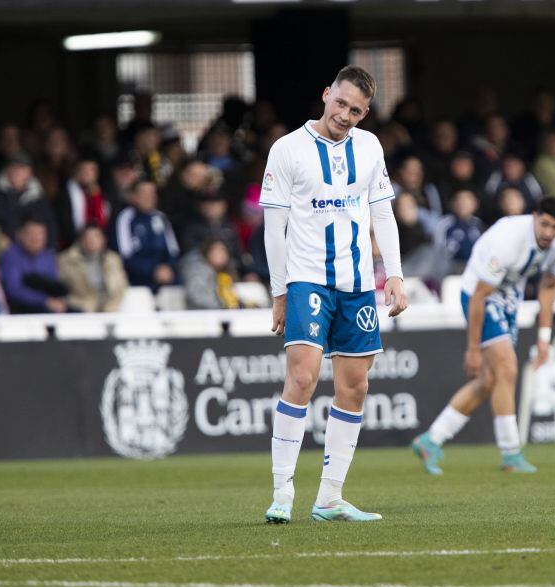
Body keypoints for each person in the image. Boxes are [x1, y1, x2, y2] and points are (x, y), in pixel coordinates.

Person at [261, 66, 407, 524]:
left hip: (358, 283)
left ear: (365, 115)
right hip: (307, 278)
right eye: (340, 103)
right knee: (302, 379)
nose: (345, 115)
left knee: (356, 386)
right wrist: (279, 291)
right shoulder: (287, 150)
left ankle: (328, 498)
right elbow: (273, 227)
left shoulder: (369, 147)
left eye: (356, 110)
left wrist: (395, 276)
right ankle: (282, 491)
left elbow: (383, 213)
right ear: (326, 95)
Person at [412, 197, 555, 475]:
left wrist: (544, 338)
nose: (548, 233)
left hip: (510, 296)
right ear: (534, 217)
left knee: (489, 381)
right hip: (477, 293)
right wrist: (472, 348)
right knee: (507, 368)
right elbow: (479, 296)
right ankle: (511, 453)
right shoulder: (508, 241)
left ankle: (430, 440)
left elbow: (548, 287)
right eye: (544, 224)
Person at [108, 179, 179, 290]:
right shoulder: (125, 218)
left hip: (164, 275)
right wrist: (153, 271)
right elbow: (124, 256)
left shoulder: (161, 218)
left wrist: (168, 268)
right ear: (133, 196)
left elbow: (173, 252)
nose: (149, 197)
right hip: (136, 278)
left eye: (152, 193)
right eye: (143, 193)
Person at [0, 219, 68, 314]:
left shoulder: (48, 256)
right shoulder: (10, 255)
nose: (36, 238)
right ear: (20, 235)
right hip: (23, 306)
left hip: (50, 303)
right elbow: (14, 289)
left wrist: (59, 300)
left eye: (40, 234)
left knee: (77, 314)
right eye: (31, 234)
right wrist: (44, 300)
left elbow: (53, 284)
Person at [58, 224, 128, 312]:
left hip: (111, 309)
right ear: (80, 240)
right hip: (80, 310)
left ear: (103, 240)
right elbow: (60, 289)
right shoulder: (66, 260)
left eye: (96, 236)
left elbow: (121, 286)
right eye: (87, 237)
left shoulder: (113, 259)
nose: (91, 240)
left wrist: (111, 306)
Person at [56, 156, 109, 249]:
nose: (87, 174)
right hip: (71, 247)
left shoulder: (101, 195)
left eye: (91, 170)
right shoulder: (64, 195)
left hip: (97, 246)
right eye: (84, 170)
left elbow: (103, 223)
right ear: (76, 172)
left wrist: (96, 198)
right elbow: (64, 229)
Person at [180, 237, 241, 309]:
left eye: (222, 250)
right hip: (199, 316)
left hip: (218, 315)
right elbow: (197, 298)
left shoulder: (226, 272)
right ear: (206, 252)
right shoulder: (198, 270)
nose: (218, 253)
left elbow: (230, 295)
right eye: (214, 249)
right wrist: (223, 306)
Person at [433, 188, 483, 273]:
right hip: (450, 270)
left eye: (467, 200)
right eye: (459, 200)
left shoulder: (479, 224)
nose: (462, 203)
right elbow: (437, 251)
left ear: (475, 204)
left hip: (475, 270)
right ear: (453, 204)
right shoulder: (444, 224)